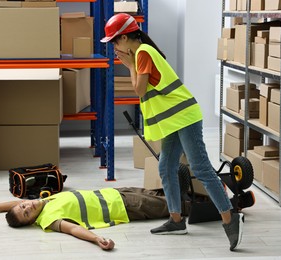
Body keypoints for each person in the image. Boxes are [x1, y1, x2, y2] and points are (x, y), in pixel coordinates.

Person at [100, 13, 244, 251]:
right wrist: (131, 63)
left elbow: (139, 90)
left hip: (184, 118)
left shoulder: (143, 54)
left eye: (115, 41)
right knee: (166, 167)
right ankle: (176, 221)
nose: (114, 46)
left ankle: (230, 218)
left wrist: (128, 66)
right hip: (174, 121)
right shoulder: (143, 53)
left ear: (125, 37)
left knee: (201, 169)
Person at [0, 187, 169, 251]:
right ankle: (193, 204)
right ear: (32, 221)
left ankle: (192, 192)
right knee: (171, 205)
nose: (27, 207)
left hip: (114, 192)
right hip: (123, 207)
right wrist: (96, 239)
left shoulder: (42, 201)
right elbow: (72, 229)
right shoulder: (48, 219)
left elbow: (14, 206)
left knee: (162, 191)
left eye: (23, 205)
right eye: (26, 213)